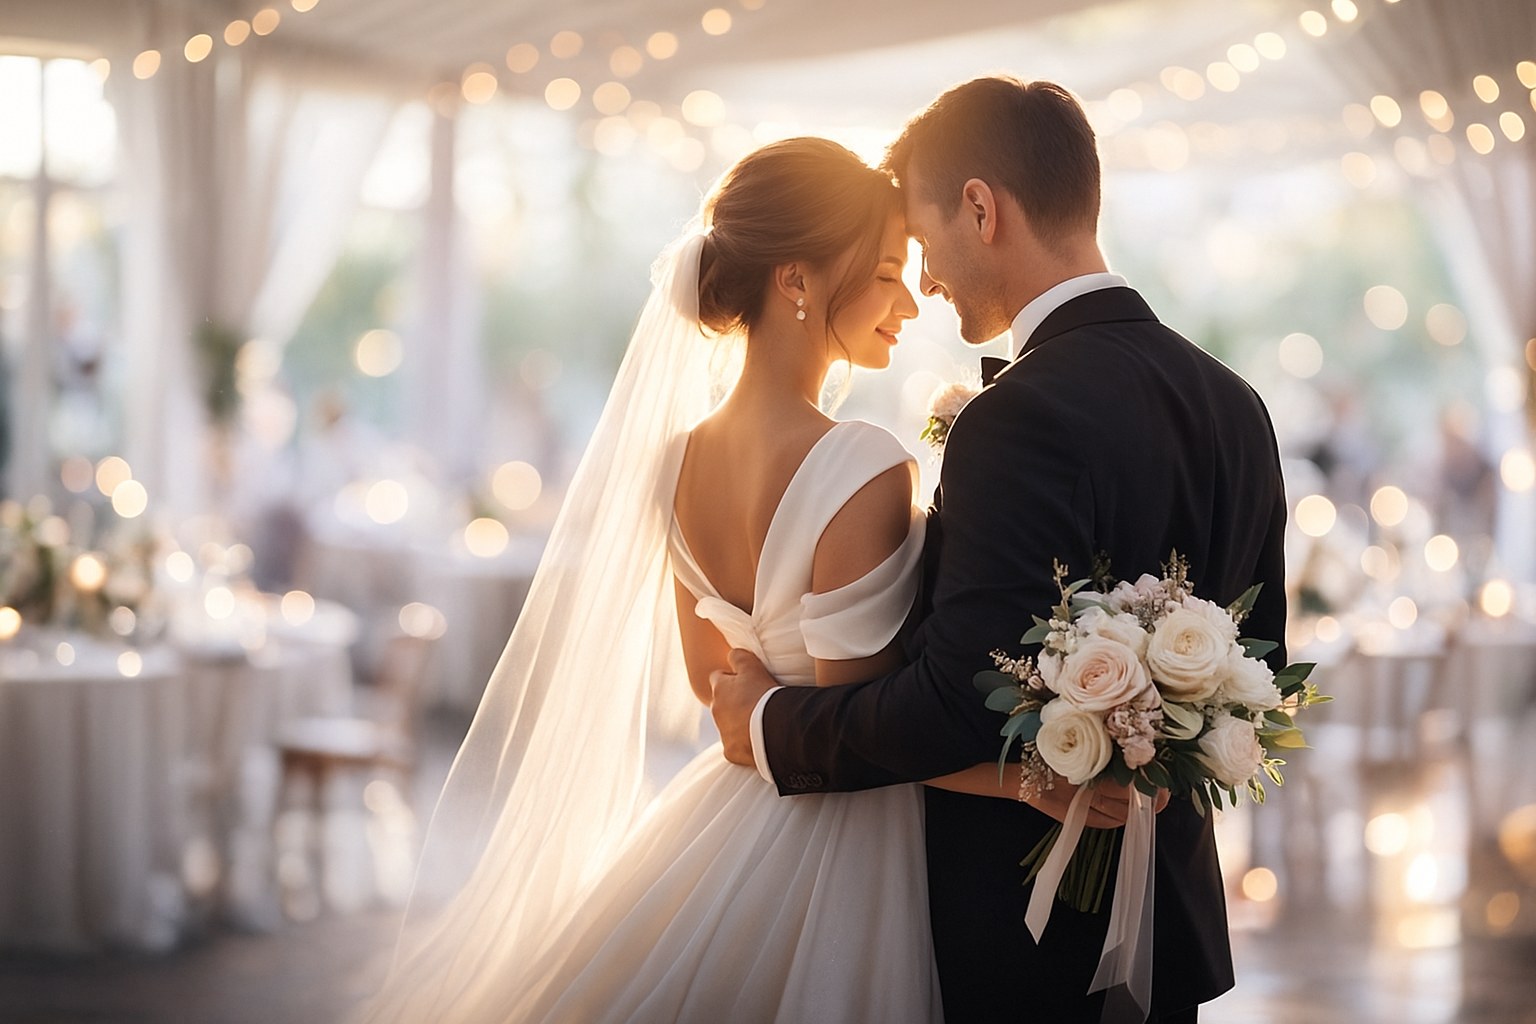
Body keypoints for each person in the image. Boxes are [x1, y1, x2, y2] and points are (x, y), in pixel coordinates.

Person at [359, 136, 1025, 1023]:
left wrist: (759, 702)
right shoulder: (862, 465)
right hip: (835, 854)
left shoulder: (674, 460)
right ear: (796, 279)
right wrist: (1027, 780)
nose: (911, 303)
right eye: (887, 273)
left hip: (727, 812)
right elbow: (859, 742)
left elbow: (715, 693)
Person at [711, 77, 1289, 1023]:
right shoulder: (1237, 404)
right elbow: (1257, 668)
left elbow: (959, 702)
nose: (927, 281)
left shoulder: (1013, 418)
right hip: (1169, 932)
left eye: (926, 243)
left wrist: (770, 725)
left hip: (1021, 937)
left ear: (981, 208)